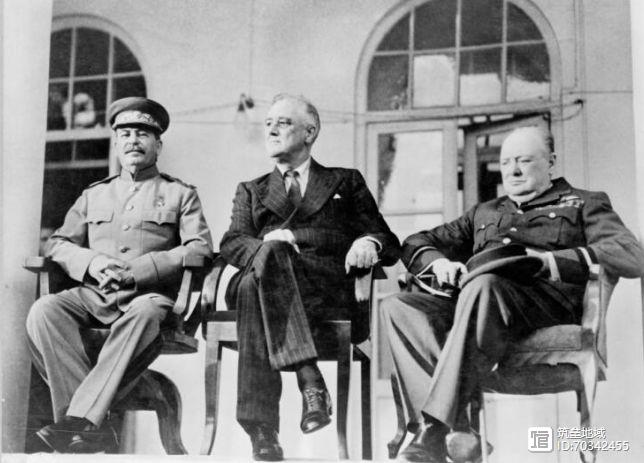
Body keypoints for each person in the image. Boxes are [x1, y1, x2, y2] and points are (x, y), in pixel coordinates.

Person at [382, 126, 644, 463]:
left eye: (524, 161)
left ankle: (433, 429)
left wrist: (550, 261)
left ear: (550, 162)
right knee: (399, 306)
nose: (513, 171)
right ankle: (458, 427)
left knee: (483, 285)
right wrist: (440, 262)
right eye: (506, 163)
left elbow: (629, 253)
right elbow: (415, 242)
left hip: (544, 304)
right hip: (480, 307)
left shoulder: (585, 202)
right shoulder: (484, 212)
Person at [26, 97, 213, 453]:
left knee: (144, 312)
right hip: (94, 296)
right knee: (44, 310)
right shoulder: (94, 194)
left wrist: (139, 272)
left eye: (142, 134)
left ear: (158, 145)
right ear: (116, 143)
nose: (133, 141)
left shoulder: (180, 194)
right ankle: (86, 425)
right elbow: (58, 243)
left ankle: (77, 422)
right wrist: (92, 262)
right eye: (125, 134)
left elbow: (200, 248)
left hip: (148, 299)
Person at [220, 93, 400, 461]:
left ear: (310, 132)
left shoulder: (344, 181)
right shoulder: (251, 189)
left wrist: (366, 242)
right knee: (267, 261)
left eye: (283, 123)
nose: (271, 130)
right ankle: (309, 378)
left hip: (322, 288)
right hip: (268, 280)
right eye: (268, 123)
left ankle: (262, 430)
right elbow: (232, 243)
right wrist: (272, 248)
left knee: (255, 284)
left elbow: (387, 239)